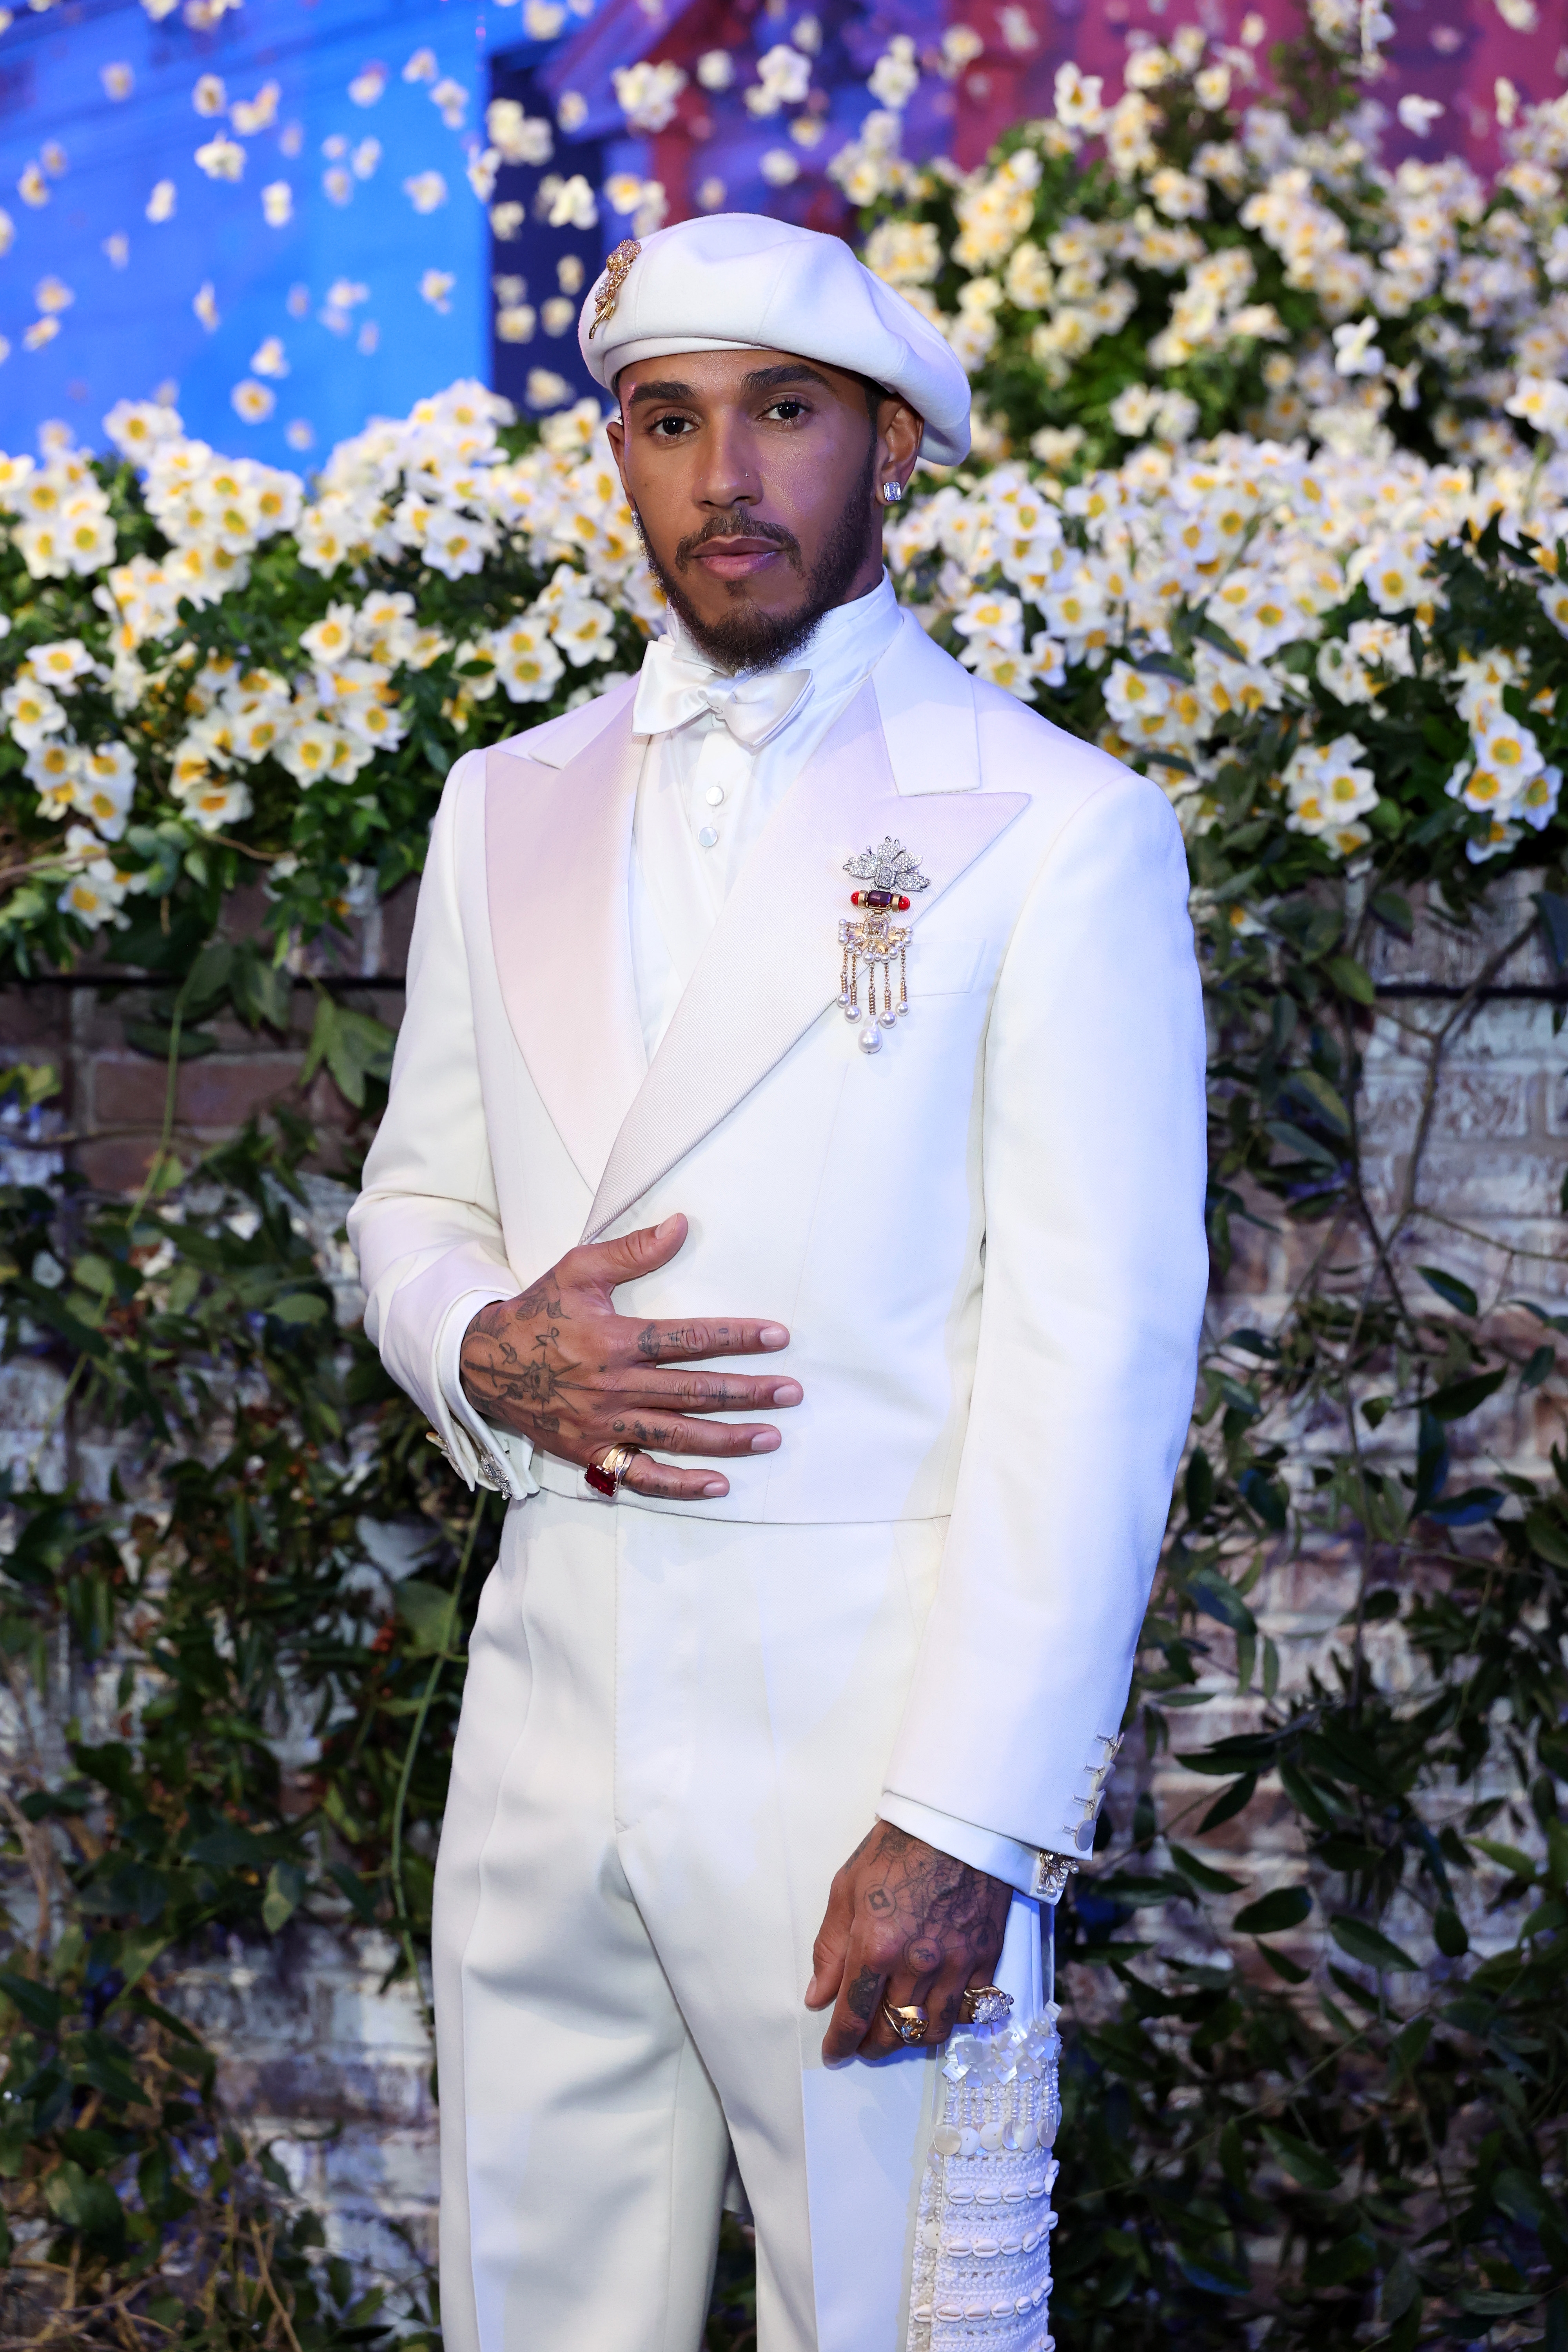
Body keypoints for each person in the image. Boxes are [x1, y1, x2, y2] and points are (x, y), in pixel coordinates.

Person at [349, 211, 1208, 2352]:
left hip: (869, 1746)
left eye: (787, 416)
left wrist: (967, 1817)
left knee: (900, 2329)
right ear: (618, 456)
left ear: (892, 449)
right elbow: (411, 1203)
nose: (724, 477)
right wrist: (479, 1342)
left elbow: (1094, 1353)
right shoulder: (503, 805)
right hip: (548, 1705)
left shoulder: (1053, 823)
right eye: (669, 422)